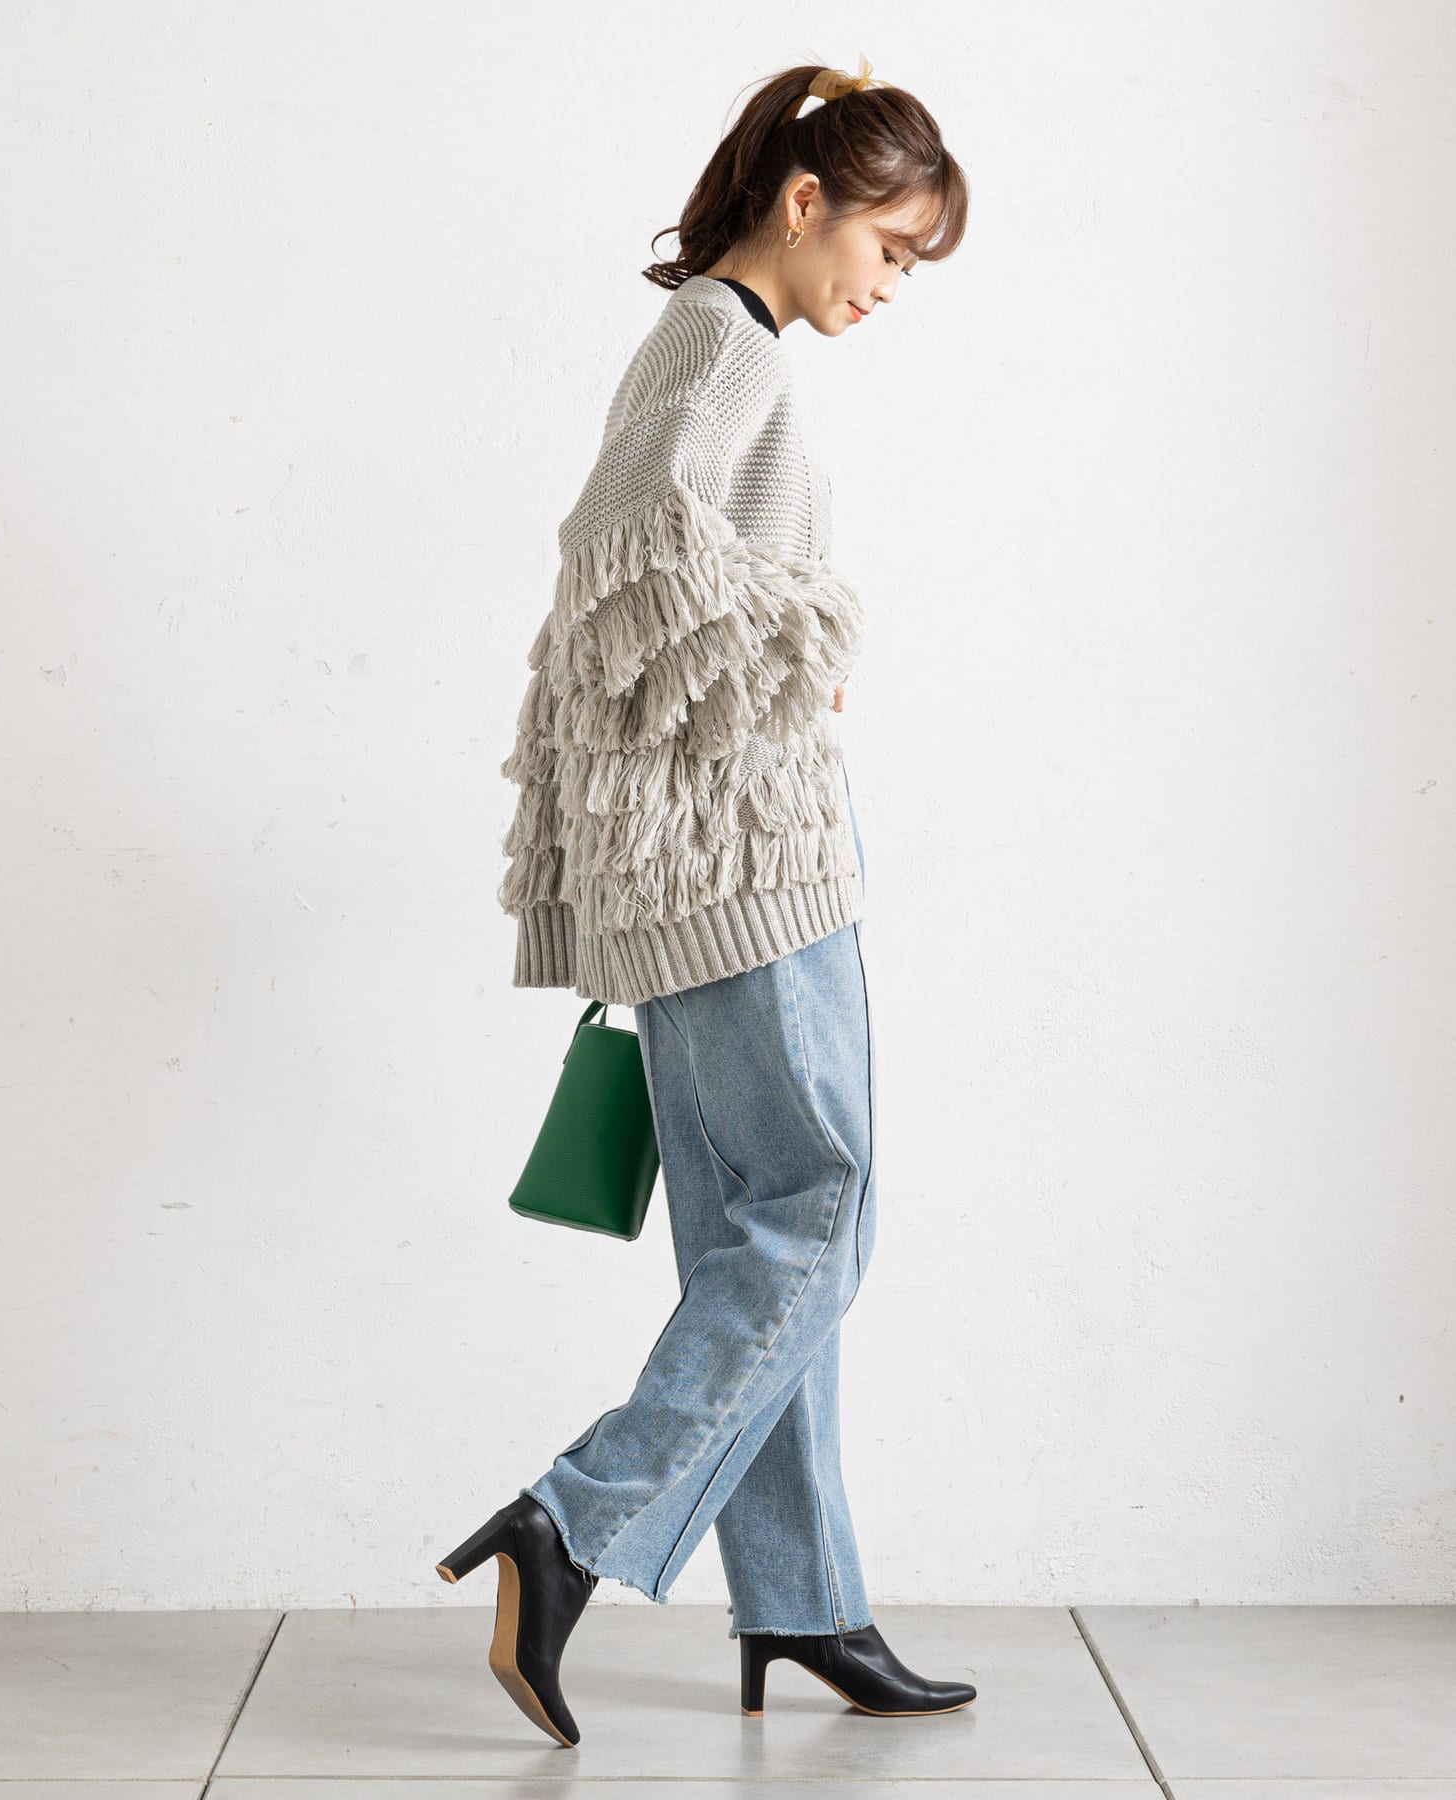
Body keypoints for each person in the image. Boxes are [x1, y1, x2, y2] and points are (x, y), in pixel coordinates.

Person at [440, 54, 972, 1748]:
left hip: (704, 865)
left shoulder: (715, 341)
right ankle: (576, 1520)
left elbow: (644, 566)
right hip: (746, 869)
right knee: (822, 1209)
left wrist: (757, 648)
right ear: (804, 203)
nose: (891, 286)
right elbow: (621, 545)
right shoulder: (722, 344)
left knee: (764, 1233)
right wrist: (787, 648)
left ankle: (803, 1600)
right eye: (888, 247)